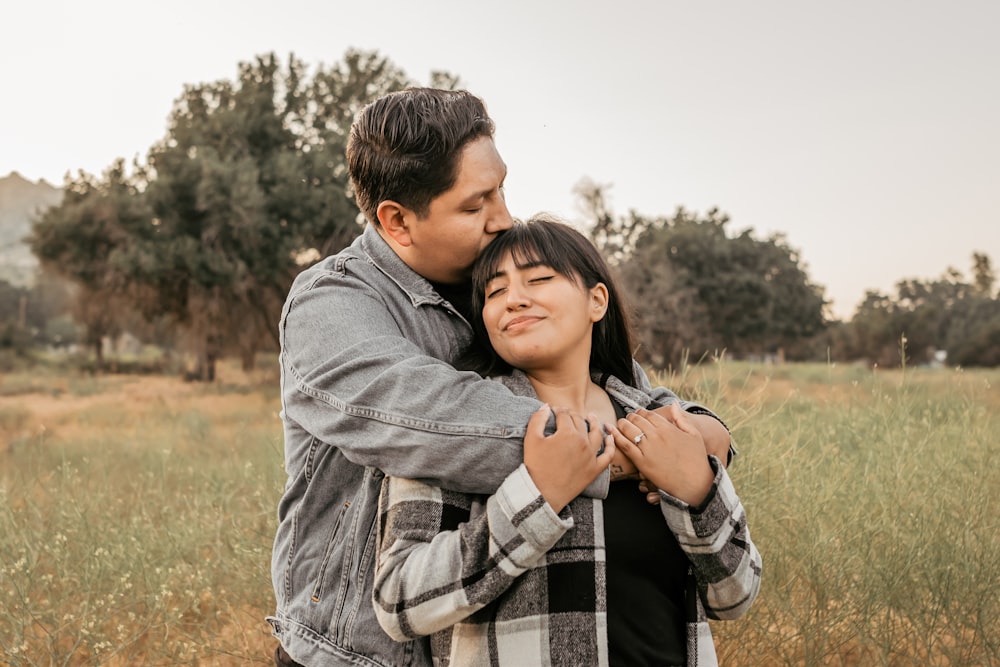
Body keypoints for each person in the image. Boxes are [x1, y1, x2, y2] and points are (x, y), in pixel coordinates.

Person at [268, 88, 732, 666]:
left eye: (500, 188)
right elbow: (433, 419)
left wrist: (698, 427)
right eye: (474, 204)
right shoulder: (332, 303)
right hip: (354, 652)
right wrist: (630, 448)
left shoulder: (502, 287)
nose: (503, 217)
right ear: (397, 221)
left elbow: (615, 382)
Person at [372, 216, 762, 666]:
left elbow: (735, 596)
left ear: (597, 300)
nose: (514, 300)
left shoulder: (659, 423)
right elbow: (398, 601)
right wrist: (537, 497)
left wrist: (697, 491)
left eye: (538, 279)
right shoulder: (454, 424)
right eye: (495, 292)